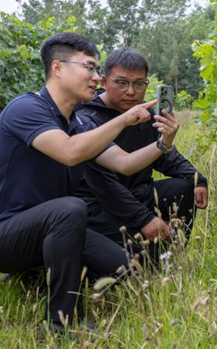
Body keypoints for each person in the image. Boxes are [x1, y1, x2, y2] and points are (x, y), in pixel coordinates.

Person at [0, 32, 178, 335]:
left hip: (50, 232)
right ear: (58, 68)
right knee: (70, 208)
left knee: (124, 268)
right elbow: (69, 152)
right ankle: (64, 324)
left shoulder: (79, 123)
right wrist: (122, 120)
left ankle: (34, 275)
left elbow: (124, 163)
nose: (96, 77)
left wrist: (163, 143)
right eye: (89, 68)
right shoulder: (26, 109)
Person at [74, 47, 208, 262]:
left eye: (139, 84)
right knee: (132, 264)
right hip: (100, 206)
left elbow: (165, 155)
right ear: (105, 82)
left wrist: (197, 178)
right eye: (121, 82)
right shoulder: (86, 119)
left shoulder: (145, 115)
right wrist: (144, 219)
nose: (131, 91)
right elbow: (105, 186)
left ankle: (170, 256)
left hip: (137, 195)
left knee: (184, 187)